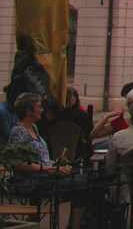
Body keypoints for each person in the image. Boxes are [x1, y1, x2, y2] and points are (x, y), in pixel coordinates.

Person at [8, 92, 96, 229]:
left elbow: (37, 158)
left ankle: (74, 223)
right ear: (28, 111)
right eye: (39, 107)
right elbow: (18, 163)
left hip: (46, 177)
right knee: (86, 184)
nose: (42, 110)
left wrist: (54, 163)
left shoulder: (33, 128)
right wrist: (47, 168)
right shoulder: (19, 132)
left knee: (88, 182)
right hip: (33, 182)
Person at [53, 87, 94, 164]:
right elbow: (90, 133)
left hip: (53, 150)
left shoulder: (53, 115)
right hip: (76, 151)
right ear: (73, 100)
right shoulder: (81, 115)